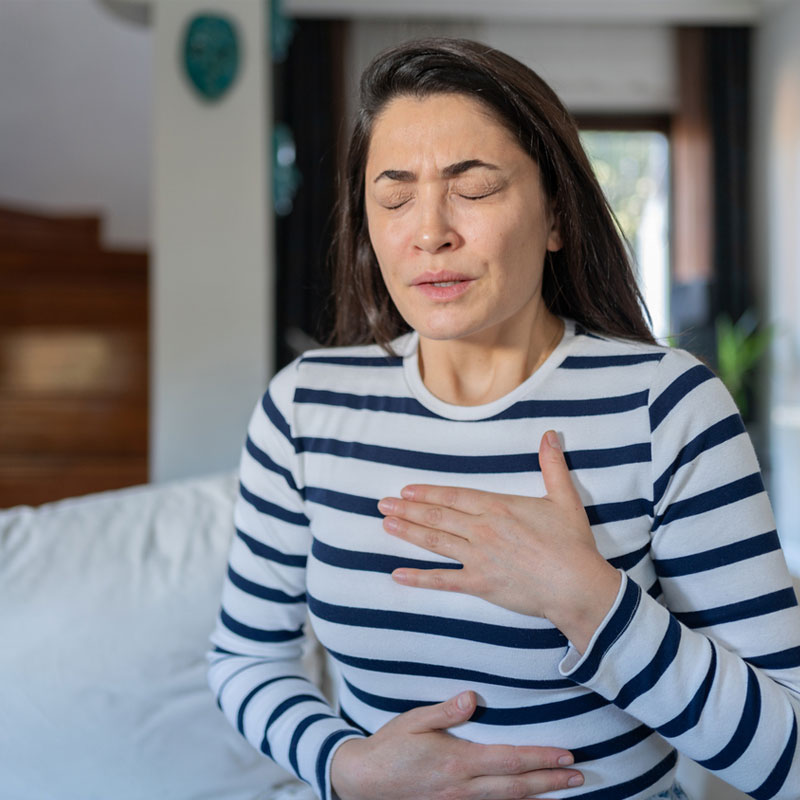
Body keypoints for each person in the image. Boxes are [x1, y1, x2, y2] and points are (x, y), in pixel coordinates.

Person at [208, 38, 800, 800]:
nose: (429, 231)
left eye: (474, 187)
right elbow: (245, 659)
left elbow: (790, 759)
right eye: (394, 196)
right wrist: (341, 766)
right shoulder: (307, 404)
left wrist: (585, 597)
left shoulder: (664, 407)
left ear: (556, 214)